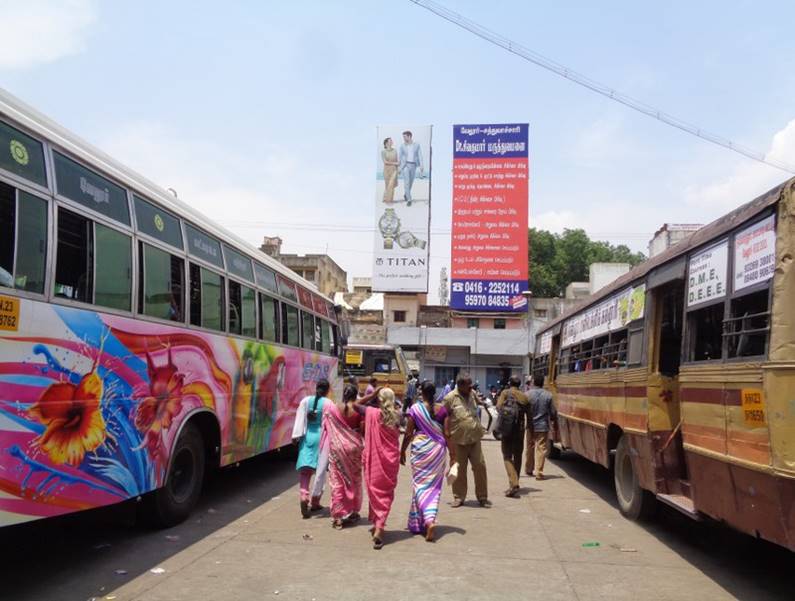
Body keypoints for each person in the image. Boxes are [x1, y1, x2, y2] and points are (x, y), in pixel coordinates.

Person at [402, 380, 448, 541]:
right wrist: (454, 457)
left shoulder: (415, 409)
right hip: (437, 452)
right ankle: (419, 522)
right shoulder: (442, 409)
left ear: (422, 392)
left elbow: (408, 433)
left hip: (420, 450)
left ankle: (428, 521)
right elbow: (447, 434)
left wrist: (402, 451)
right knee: (433, 488)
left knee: (419, 485)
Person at [359, 387, 402, 549]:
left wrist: (370, 394)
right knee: (386, 494)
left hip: (375, 460)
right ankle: (379, 523)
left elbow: (353, 404)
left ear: (379, 399)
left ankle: (379, 527)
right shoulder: (398, 415)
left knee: (375, 491)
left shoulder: (371, 412)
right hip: (390, 461)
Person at [323, 384, 369, 528]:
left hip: (337, 448)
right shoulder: (358, 410)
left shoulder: (332, 408)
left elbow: (325, 425)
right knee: (354, 481)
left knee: (337, 481)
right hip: (354, 448)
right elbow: (363, 430)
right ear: (355, 396)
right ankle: (353, 511)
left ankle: (338, 516)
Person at [443, 372, 490, 508]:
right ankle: (458, 497)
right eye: (468, 385)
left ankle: (482, 497)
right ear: (460, 385)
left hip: (474, 438)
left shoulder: (472, 393)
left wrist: (484, 403)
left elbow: (479, 403)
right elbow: (442, 418)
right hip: (458, 441)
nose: (471, 387)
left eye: (471, 384)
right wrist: (445, 437)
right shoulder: (450, 398)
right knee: (458, 469)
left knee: (480, 466)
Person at [291, 379, 331, 518]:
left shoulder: (305, 401)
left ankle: (304, 497)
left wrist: (296, 436)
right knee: (320, 473)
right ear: (327, 390)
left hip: (307, 437)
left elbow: (299, 419)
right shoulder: (328, 403)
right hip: (322, 439)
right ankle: (315, 502)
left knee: (305, 471)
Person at [495, 376, 529, 497]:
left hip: (507, 430)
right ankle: (515, 482)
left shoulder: (505, 393)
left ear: (510, 383)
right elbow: (529, 416)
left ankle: (513, 483)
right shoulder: (525, 397)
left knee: (507, 456)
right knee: (518, 456)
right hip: (519, 430)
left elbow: (498, 407)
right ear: (520, 384)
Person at [527, 375, 557, 480]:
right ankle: (539, 472)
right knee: (541, 448)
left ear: (534, 382)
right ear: (543, 383)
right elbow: (553, 412)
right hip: (543, 426)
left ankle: (529, 469)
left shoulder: (527, 394)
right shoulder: (548, 395)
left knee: (530, 447)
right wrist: (553, 421)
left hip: (530, 426)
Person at [398, 130, 424, 205]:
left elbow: (420, 155)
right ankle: (409, 200)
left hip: (414, 165)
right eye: (403, 137)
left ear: (409, 136)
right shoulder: (402, 146)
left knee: (411, 182)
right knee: (406, 182)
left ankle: (406, 194)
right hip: (405, 165)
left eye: (405, 137)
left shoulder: (417, 145)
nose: (403, 138)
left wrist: (421, 165)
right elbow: (400, 157)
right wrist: (399, 168)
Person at [381, 137, 399, 203]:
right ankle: (385, 198)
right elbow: (385, 162)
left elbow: (397, 161)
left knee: (392, 184)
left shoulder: (395, 151)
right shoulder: (383, 152)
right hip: (386, 170)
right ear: (386, 143)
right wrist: (395, 163)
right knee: (387, 185)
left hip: (394, 170)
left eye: (392, 141)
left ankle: (390, 200)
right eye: (390, 141)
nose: (391, 142)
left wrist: (398, 169)